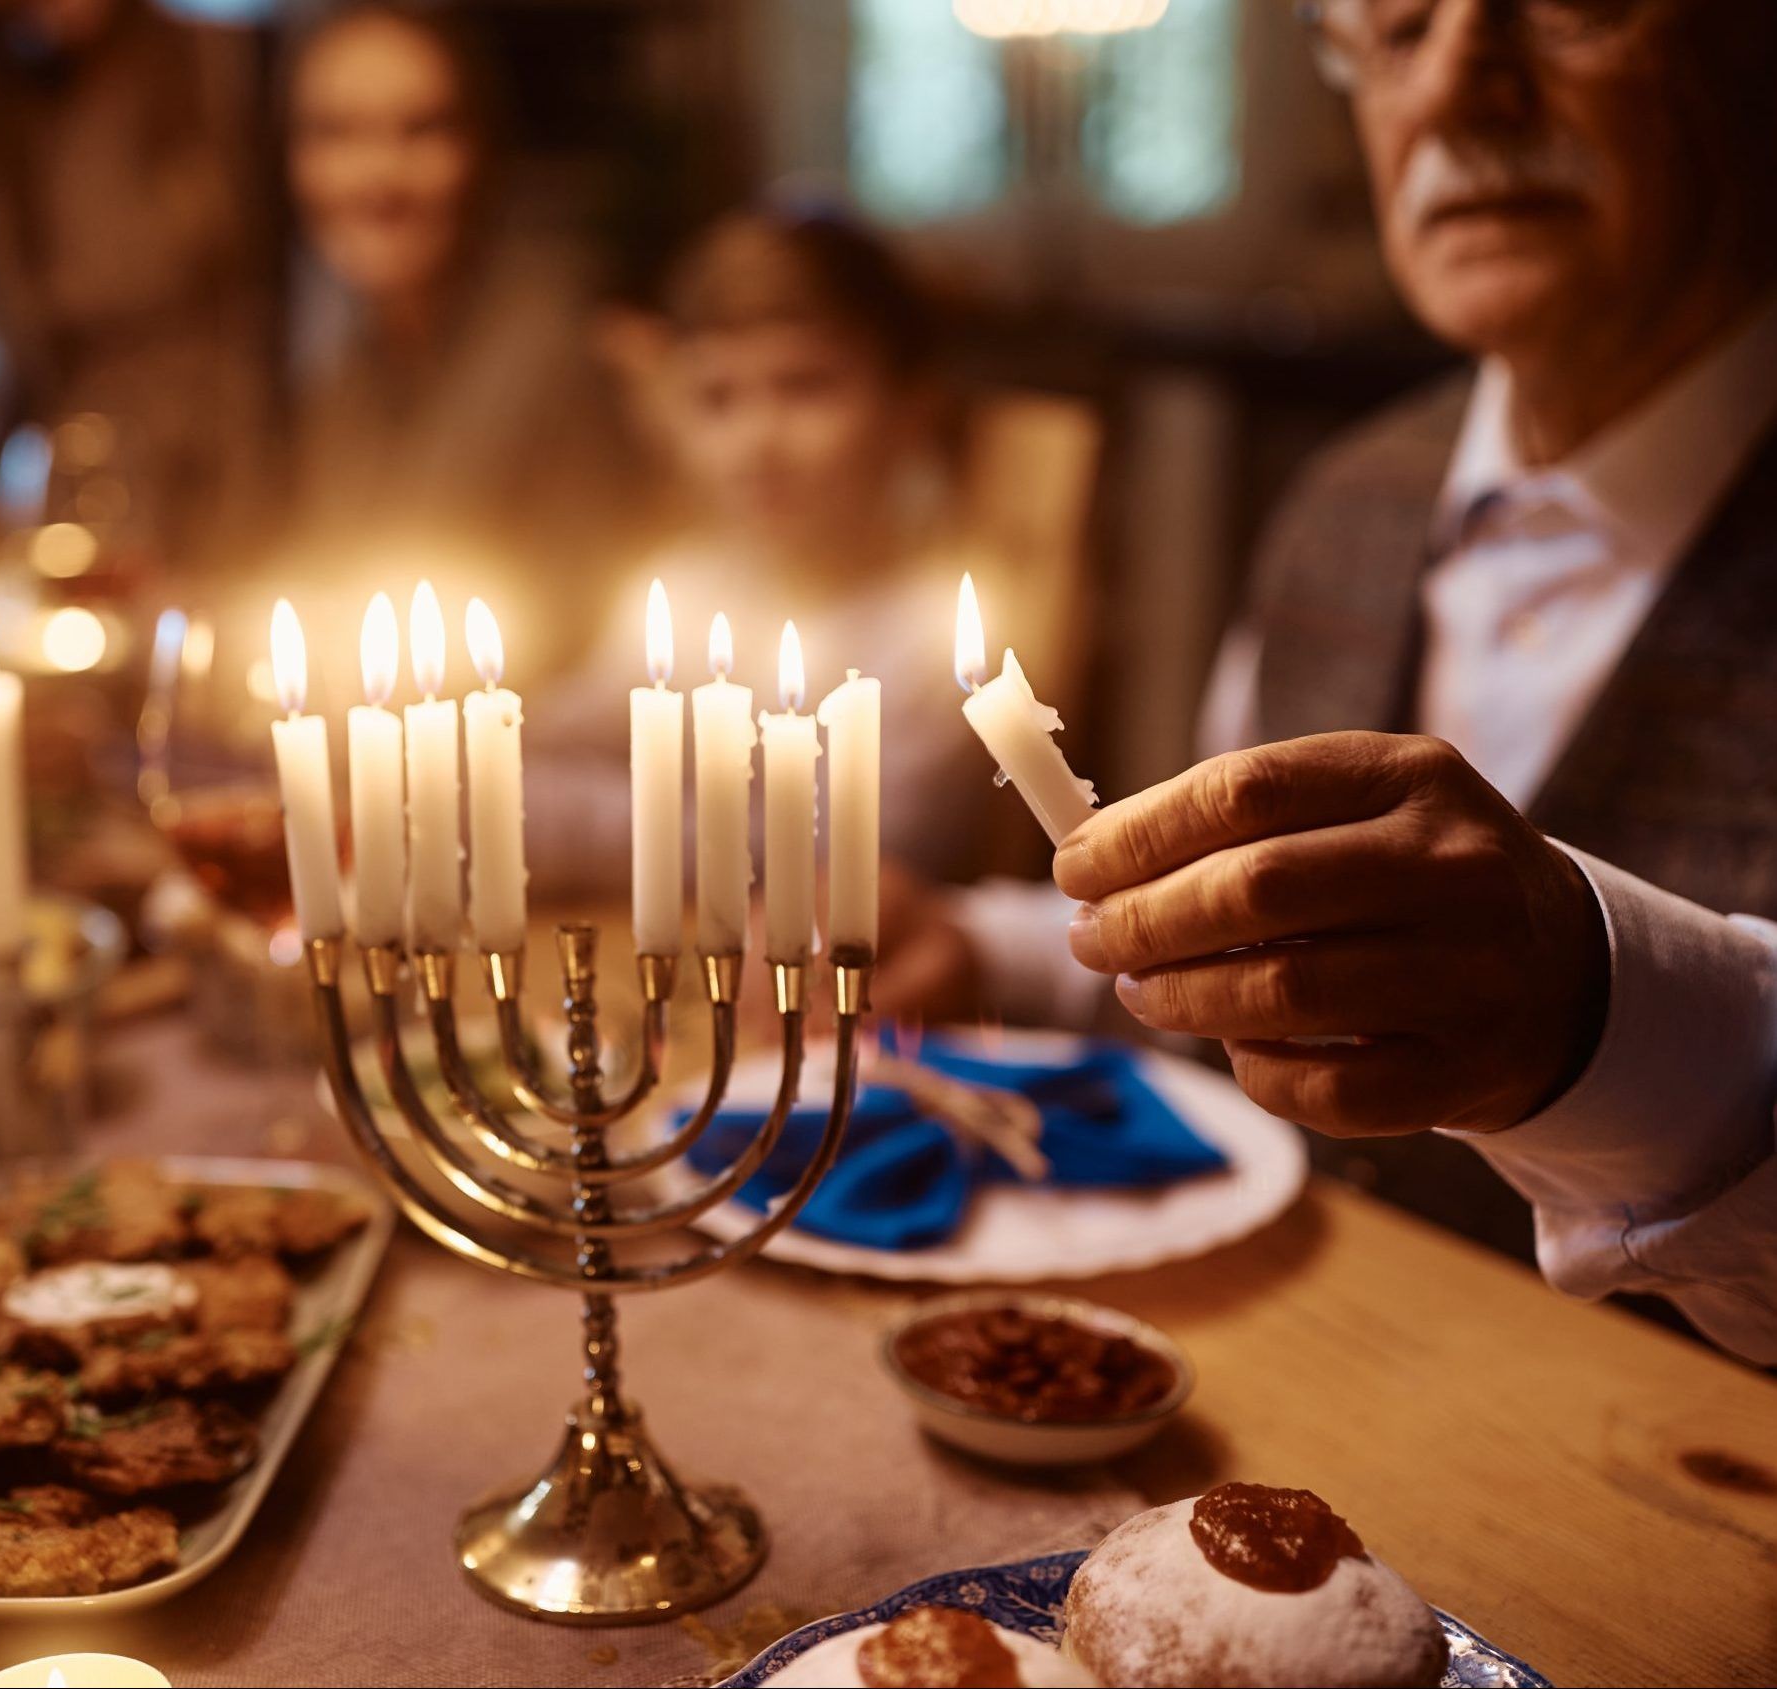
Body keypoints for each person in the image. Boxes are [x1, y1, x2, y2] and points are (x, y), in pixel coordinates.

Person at [884, 0, 1777, 1362]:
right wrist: (989, 948)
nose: (1465, 90)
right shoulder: (1346, 500)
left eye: (1571, 7)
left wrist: (1599, 1007)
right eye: (1402, 22)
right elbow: (1255, 958)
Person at [525, 206, 1095, 899]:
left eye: (806, 386)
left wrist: (554, 820)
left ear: (912, 405)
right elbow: (555, 732)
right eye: (716, 398)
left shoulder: (943, 634)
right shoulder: (681, 589)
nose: (758, 440)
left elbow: (855, 845)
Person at [278, 0, 640, 638]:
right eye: (337, 132)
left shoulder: (554, 354)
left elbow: (580, 649)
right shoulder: (336, 362)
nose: (378, 175)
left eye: (421, 131)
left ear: (481, 150)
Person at [0, 0, 278, 572]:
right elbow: (13, 327)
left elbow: (262, 293)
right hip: (75, 464)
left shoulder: (216, 64)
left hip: (218, 452)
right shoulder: (2, 99)